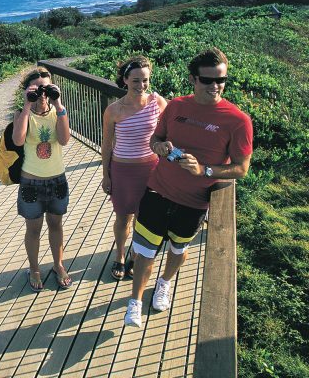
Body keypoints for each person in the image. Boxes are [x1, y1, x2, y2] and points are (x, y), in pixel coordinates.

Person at [124, 47, 253, 327]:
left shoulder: (238, 121)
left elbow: (241, 168)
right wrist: (158, 146)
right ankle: (134, 300)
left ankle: (164, 283)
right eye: (207, 80)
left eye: (221, 80)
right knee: (143, 251)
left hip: (194, 203)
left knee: (177, 250)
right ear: (193, 79)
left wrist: (204, 170)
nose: (215, 86)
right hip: (157, 191)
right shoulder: (177, 107)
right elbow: (155, 139)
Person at [101, 56, 167, 280]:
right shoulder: (113, 110)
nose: (141, 86)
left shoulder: (158, 103)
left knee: (143, 218)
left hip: (151, 169)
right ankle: (120, 255)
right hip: (122, 171)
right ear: (125, 80)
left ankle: (136, 256)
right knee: (123, 217)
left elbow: (169, 133)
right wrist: (106, 176)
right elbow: (107, 144)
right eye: (136, 80)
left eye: (145, 80)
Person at [13, 67, 72, 292]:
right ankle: (35, 268)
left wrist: (59, 107)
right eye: (37, 89)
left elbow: (64, 140)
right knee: (34, 229)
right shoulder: (21, 113)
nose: (43, 93)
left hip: (57, 179)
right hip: (31, 182)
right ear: (27, 90)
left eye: (46, 88)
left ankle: (58, 265)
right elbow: (18, 140)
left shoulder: (58, 112)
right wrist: (28, 105)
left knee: (56, 225)